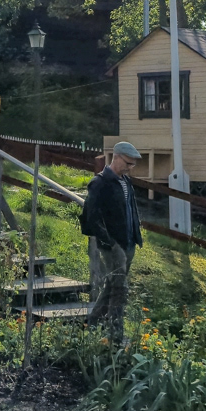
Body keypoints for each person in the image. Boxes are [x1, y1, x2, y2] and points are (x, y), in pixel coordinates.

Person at [82, 141, 144, 346]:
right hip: (112, 244)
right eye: (128, 163)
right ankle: (116, 334)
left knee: (112, 285)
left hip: (129, 241)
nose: (130, 168)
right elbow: (91, 216)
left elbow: (130, 209)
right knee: (120, 288)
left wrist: (136, 234)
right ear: (116, 157)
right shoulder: (99, 183)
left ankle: (92, 323)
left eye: (133, 165)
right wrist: (108, 241)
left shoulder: (126, 182)